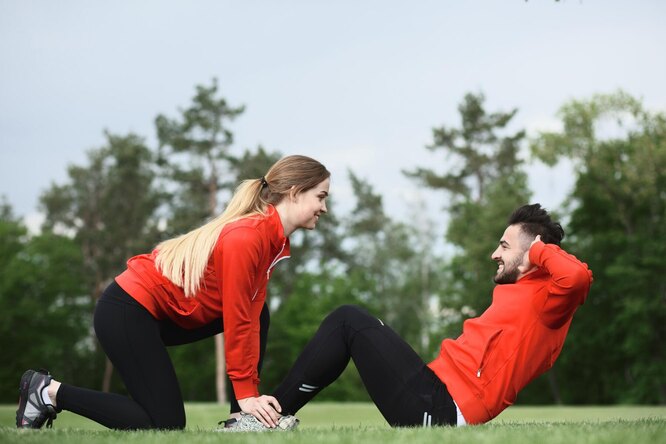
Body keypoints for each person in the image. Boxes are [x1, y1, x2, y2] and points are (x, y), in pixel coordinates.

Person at [16, 155, 331, 430]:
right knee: (164, 423)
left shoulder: (271, 239)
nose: (324, 207)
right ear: (294, 193)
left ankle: (240, 418)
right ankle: (46, 391)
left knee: (258, 312)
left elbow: (249, 316)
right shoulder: (248, 237)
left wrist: (244, 397)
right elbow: (237, 317)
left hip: (162, 317)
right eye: (320, 196)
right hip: (128, 309)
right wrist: (247, 393)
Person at [230, 203, 593, 430]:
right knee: (351, 323)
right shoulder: (525, 292)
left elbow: (577, 276)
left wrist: (540, 249)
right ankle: (266, 417)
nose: (494, 254)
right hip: (433, 392)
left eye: (503, 245)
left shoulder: (551, 299)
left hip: (443, 411)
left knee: (348, 320)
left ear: (532, 252)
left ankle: (264, 419)